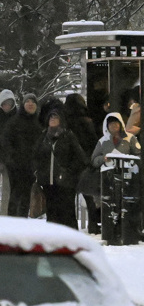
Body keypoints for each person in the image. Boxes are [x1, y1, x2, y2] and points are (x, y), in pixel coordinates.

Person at [34, 109, 87, 229]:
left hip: (66, 183)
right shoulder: (43, 137)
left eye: (55, 117)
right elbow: (36, 156)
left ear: (61, 120)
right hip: (48, 182)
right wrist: (39, 172)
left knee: (67, 212)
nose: (52, 119)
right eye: (50, 117)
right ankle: (53, 239)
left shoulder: (68, 135)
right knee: (51, 212)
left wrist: (68, 171)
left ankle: (70, 238)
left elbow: (80, 157)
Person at [3, 93, 43, 217]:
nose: (30, 104)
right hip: (16, 164)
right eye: (27, 102)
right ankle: (12, 220)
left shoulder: (39, 122)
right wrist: (12, 157)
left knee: (26, 195)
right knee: (16, 193)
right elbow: (6, 141)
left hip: (32, 165)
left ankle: (22, 220)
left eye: (33, 102)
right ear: (23, 104)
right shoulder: (14, 121)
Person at [65, 93, 99, 231]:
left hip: (69, 163)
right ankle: (93, 224)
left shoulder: (65, 122)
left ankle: (71, 226)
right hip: (84, 161)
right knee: (88, 196)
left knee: (69, 197)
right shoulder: (86, 121)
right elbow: (93, 141)